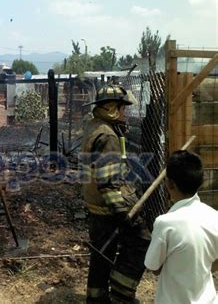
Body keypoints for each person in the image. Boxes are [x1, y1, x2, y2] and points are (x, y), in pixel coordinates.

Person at [80, 84, 151, 303]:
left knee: (102, 254)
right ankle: (121, 294)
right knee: (141, 241)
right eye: (122, 108)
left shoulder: (95, 126)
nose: (125, 113)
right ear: (112, 108)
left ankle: (97, 298)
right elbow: (108, 182)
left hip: (95, 204)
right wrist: (123, 214)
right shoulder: (107, 136)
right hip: (107, 207)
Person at [145, 150, 218, 304]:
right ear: (200, 182)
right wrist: (199, 270)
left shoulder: (165, 223)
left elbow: (154, 267)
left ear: (169, 184)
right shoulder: (214, 217)